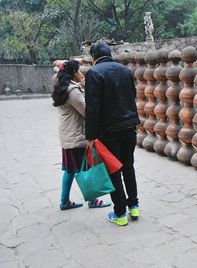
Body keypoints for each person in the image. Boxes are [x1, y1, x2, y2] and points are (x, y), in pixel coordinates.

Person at [85, 41, 140, 226]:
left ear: (93, 56)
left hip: (108, 131)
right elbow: (132, 96)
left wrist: (90, 136)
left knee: (113, 171)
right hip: (129, 127)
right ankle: (134, 206)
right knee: (128, 166)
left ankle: (120, 214)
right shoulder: (124, 70)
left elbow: (92, 108)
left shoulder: (94, 72)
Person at [52, 60, 111, 210]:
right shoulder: (72, 91)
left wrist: (81, 85)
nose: (81, 74)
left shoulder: (63, 86)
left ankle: (64, 201)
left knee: (70, 169)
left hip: (68, 134)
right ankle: (93, 200)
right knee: (86, 167)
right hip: (76, 135)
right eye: (78, 71)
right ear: (73, 73)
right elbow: (86, 111)